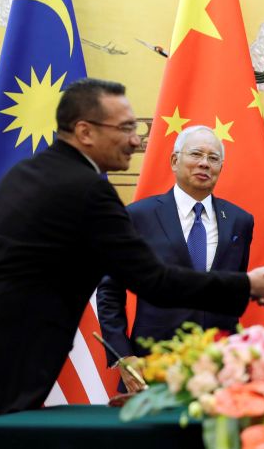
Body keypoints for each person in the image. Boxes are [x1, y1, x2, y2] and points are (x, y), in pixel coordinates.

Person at [0, 78, 264, 442]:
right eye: (126, 128)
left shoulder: (26, 174)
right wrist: (252, 284)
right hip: (6, 372)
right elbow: (153, 280)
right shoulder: (87, 189)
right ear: (85, 132)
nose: (137, 140)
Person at [97, 125, 253, 393]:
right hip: (152, 365)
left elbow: (235, 292)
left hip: (220, 370)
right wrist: (122, 355)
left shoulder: (240, 220)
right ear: (174, 160)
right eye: (196, 154)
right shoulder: (138, 216)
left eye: (213, 158)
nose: (204, 163)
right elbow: (110, 291)